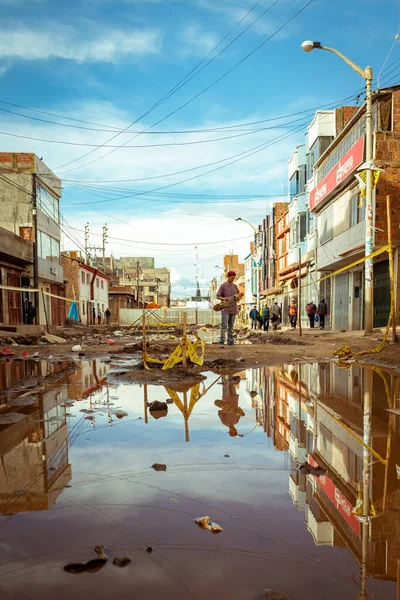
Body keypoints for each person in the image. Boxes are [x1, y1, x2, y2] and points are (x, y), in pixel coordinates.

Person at [216, 270, 240, 348]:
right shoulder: (223, 286)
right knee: (224, 326)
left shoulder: (235, 286)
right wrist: (224, 298)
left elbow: (239, 295)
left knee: (231, 326)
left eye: (234, 278)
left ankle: (230, 341)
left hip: (233, 308)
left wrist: (237, 297)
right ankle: (222, 342)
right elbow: (218, 296)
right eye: (231, 278)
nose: (232, 280)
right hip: (225, 309)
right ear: (228, 277)